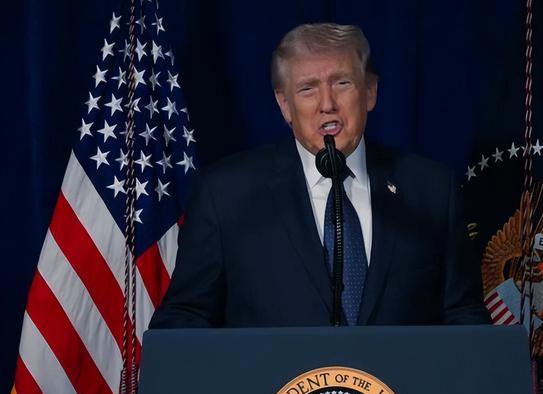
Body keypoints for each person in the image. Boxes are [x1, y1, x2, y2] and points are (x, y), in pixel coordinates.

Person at [149, 23, 489, 328]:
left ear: (370, 91)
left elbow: (464, 315)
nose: (327, 103)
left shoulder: (430, 190)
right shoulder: (226, 195)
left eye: (342, 83)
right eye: (308, 89)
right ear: (285, 105)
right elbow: (184, 318)